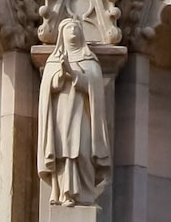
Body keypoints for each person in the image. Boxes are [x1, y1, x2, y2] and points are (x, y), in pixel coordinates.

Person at [37, 16, 110, 207]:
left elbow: (94, 87)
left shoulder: (90, 60)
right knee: (62, 152)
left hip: (82, 115)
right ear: (61, 34)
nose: (72, 31)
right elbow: (47, 89)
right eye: (68, 28)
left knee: (83, 151)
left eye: (76, 28)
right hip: (61, 117)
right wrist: (60, 74)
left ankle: (85, 193)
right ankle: (63, 193)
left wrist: (73, 72)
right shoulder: (54, 60)